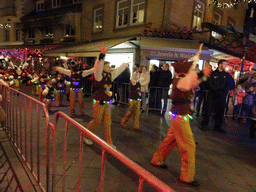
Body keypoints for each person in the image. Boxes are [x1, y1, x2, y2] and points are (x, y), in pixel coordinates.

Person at [151, 43, 211, 187]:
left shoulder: (181, 77)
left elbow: (191, 78)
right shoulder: (181, 80)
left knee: (170, 140)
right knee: (189, 146)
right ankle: (187, 176)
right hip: (179, 117)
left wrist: (198, 55)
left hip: (178, 116)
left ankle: (157, 160)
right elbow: (188, 83)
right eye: (191, 68)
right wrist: (202, 73)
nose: (193, 69)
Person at [83, 43, 129, 146]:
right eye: (107, 66)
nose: (109, 67)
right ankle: (86, 136)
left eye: (109, 66)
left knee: (108, 123)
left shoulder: (110, 75)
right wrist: (102, 56)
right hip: (99, 102)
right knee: (96, 121)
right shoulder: (99, 76)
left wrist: (124, 65)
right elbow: (98, 67)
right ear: (103, 67)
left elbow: (117, 71)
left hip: (108, 101)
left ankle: (109, 143)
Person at [201, 59, 235, 133]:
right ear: (220, 64)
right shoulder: (212, 74)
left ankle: (218, 126)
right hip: (212, 95)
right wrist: (215, 90)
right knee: (208, 110)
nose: (225, 66)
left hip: (222, 96)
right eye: (224, 64)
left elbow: (230, 85)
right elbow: (209, 84)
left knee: (220, 112)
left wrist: (223, 91)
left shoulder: (227, 75)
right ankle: (204, 124)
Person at [121, 67, 142, 132]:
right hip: (132, 97)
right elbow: (133, 85)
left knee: (137, 113)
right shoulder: (132, 81)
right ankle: (123, 122)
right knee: (130, 111)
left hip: (137, 98)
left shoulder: (138, 81)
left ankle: (136, 126)